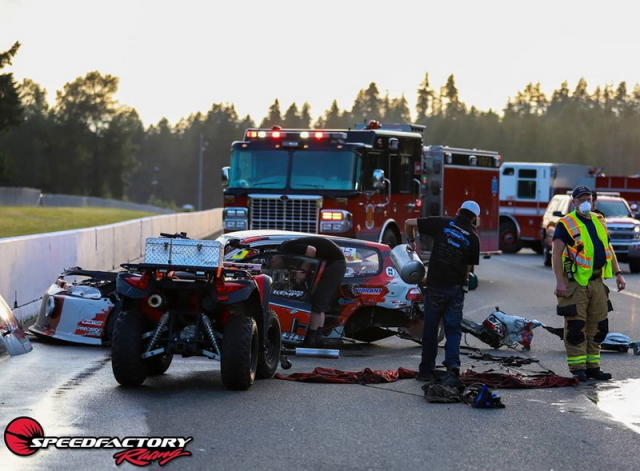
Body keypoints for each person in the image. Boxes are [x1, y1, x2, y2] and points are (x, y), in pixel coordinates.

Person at [552, 185, 626, 382]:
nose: (586, 201)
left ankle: (593, 367)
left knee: (599, 326)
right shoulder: (566, 224)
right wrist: (560, 281)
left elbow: (608, 248)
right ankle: (578, 369)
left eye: (589, 198)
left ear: (593, 201)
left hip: (597, 282)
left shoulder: (599, 221)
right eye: (582, 198)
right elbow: (556, 254)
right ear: (574, 202)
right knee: (576, 326)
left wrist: (619, 273)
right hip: (576, 283)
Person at [405, 201, 481, 381]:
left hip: (435, 287)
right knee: (453, 330)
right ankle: (452, 368)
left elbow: (409, 223)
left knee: (430, 329)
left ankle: (425, 371)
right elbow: (469, 271)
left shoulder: (443, 223)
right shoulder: (473, 237)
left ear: (458, 210)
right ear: (474, 218)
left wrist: (410, 242)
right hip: (455, 290)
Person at [278, 236, 347, 347]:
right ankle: (316, 336)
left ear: (276, 257)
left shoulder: (287, 247)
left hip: (335, 264)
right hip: (332, 263)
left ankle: (311, 338)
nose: (273, 265)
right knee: (319, 302)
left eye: (272, 262)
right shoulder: (288, 250)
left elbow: (311, 250)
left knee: (318, 301)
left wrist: (303, 270)